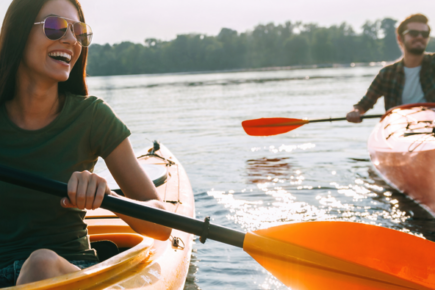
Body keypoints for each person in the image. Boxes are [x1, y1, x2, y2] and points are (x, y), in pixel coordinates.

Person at [0, 0, 171, 287]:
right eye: (55, 27)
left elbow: (163, 226)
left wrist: (107, 198)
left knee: (41, 263)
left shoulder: (93, 118)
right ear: (19, 32)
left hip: (68, 270)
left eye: (79, 33)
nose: (70, 40)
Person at [347, 14, 435, 123]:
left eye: (425, 34)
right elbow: (363, 105)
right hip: (399, 129)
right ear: (400, 38)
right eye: (413, 33)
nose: (420, 37)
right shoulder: (387, 74)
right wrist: (355, 112)